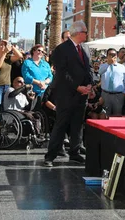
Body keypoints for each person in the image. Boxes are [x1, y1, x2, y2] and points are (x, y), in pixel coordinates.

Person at [44, 21, 93, 167]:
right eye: (85, 31)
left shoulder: (85, 48)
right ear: (78, 33)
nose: (87, 34)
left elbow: (89, 68)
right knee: (61, 124)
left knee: (78, 125)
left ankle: (75, 152)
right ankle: (50, 156)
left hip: (82, 95)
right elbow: (62, 73)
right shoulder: (61, 49)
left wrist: (89, 85)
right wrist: (78, 87)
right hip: (66, 94)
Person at [0, 39, 24, 123]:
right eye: (1, 45)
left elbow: (20, 56)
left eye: (5, 45)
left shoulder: (8, 58)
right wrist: (3, 53)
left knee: (3, 109)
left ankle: (0, 129)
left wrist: (11, 45)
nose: (3, 47)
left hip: (7, 86)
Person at [98, 48, 125, 117]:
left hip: (118, 95)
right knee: (105, 114)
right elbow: (100, 72)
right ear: (107, 56)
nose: (112, 56)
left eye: (114, 54)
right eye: (110, 54)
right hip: (106, 95)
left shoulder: (121, 67)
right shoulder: (103, 66)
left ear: (117, 55)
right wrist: (108, 63)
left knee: (117, 115)